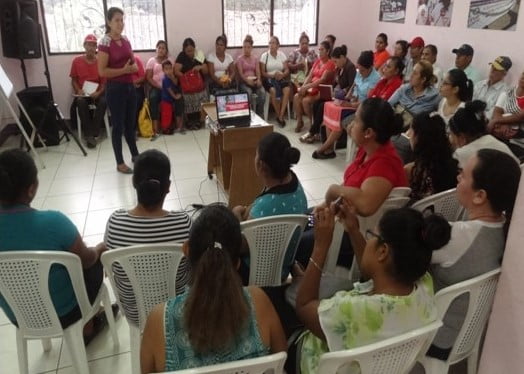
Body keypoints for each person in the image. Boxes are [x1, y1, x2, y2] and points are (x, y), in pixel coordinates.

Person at [296, 205, 448, 374]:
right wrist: (353, 231)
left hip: (316, 360)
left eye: (371, 236)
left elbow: (304, 305)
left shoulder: (351, 311)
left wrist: (320, 246)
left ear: (382, 251)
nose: (368, 241)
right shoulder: (425, 285)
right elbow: (377, 270)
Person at [140, 204, 287, 373]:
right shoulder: (259, 301)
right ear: (237, 263)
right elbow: (281, 360)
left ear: (186, 250)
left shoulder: (159, 322)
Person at [0, 149, 112, 344]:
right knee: (93, 261)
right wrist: (100, 248)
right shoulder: (54, 223)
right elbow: (87, 261)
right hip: (66, 313)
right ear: (31, 188)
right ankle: (88, 326)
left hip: (19, 316)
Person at [427, 149, 521, 361]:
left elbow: (402, 253)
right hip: (466, 333)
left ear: (480, 196)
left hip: (436, 334)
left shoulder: (456, 236)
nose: (458, 178)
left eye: (463, 174)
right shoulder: (505, 231)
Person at [104, 150, 192, 326]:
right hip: (175, 310)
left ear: (134, 183)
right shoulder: (184, 224)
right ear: (168, 186)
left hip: (136, 315)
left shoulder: (115, 223)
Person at [311, 50, 381, 159]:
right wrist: (347, 97)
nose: (360, 73)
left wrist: (351, 104)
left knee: (339, 119)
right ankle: (329, 148)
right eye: (359, 70)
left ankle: (325, 148)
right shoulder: (358, 73)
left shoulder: (375, 78)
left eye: (362, 71)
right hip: (352, 102)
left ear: (370, 68)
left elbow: (368, 101)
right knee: (329, 108)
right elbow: (354, 86)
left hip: (363, 109)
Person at [98, 7, 140, 174]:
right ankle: (119, 162)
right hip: (115, 89)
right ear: (109, 22)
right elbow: (102, 72)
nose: (121, 23)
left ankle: (135, 155)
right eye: (117, 20)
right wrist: (124, 71)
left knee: (131, 124)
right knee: (118, 126)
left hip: (130, 87)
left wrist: (133, 67)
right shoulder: (104, 42)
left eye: (122, 20)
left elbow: (133, 62)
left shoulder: (126, 39)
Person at [300, 45, 356, 144]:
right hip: (337, 95)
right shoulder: (340, 67)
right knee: (317, 103)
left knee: (322, 105)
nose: (335, 64)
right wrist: (333, 90)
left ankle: (312, 132)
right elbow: (337, 82)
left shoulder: (350, 67)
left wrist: (342, 91)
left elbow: (352, 86)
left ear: (342, 57)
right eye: (333, 61)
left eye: (336, 61)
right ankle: (316, 132)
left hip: (345, 98)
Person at [388, 61, 441, 163]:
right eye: (412, 72)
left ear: (423, 79)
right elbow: (389, 104)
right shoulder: (404, 89)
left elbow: (434, 120)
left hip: (412, 131)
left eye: (415, 73)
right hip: (394, 123)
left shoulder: (434, 97)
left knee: (397, 143)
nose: (411, 75)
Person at [404, 113, 458, 202]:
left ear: (418, 137)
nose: (408, 133)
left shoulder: (411, 171)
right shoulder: (454, 167)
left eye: (411, 129)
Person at [450, 100, 518, 168]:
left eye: (451, 134)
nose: (450, 138)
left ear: (462, 137)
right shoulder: (492, 140)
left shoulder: (461, 155)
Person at [70, 34, 107, 149]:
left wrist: (99, 92)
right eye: (88, 45)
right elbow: (74, 80)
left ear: (96, 48)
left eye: (93, 45)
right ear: (84, 46)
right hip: (83, 94)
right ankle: (88, 134)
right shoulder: (76, 61)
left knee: (104, 101)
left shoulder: (100, 61)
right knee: (80, 102)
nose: (91, 48)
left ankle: (93, 132)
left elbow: (104, 83)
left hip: (97, 93)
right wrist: (78, 90)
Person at [293, 40, 336, 133]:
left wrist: (306, 87)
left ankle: (313, 123)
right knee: (297, 96)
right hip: (311, 88)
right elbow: (310, 75)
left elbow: (322, 80)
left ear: (328, 51)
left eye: (322, 50)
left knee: (305, 101)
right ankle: (300, 121)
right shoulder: (317, 61)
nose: (319, 52)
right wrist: (303, 87)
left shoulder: (330, 64)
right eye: (319, 49)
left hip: (322, 91)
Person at [487, 70, 524, 157]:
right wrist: (498, 122)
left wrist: (494, 121)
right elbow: (496, 112)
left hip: (519, 142)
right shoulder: (508, 92)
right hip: (500, 135)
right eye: (523, 74)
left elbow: (520, 117)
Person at [174, 37, 209, 130]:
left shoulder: (199, 53)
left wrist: (200, 67)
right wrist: (187, 78)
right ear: (184, 50)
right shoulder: (182, 56)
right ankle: (190, 120)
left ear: (194, 48)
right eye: (188, 51)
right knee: (188, 96)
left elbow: (206, 71)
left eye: (191, 50)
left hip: (199, 84)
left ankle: (198, 120)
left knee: (201, 95)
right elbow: (176, 71)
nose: (190, 53)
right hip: (187, 84)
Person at [260, 36, 291, 126]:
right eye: (270, 43)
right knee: (273, 90)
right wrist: (272, 75)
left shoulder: (281, 55)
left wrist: (282, 75)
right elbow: (263, 73)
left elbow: (287, 70)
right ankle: (279, 115)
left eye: (273, 43)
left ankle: (280, 115)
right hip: (269, 78)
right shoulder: (264, 56)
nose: (271, 45)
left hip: (280, 78)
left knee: (287, 89)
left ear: (278, 45)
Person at [236, 34, 265, 117]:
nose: (246, 49)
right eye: (244, 47)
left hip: (254, 81)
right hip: (244, 82)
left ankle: (260, 115)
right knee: (248, 92)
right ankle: (249, 115)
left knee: (262, 92)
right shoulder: (239, 59)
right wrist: (247, 81)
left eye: (248, 47)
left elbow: (258, 71)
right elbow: (241, 74)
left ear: (251, 48)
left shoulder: (255, 58)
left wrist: (259, 80)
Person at [145, 40, 170, 137]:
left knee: (174, 98)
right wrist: (159, 87)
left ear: (166, 51)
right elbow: (148, 78)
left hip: (168, 87)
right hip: (156, 87)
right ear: (156, 49)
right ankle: (155, 127)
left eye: (163, 48)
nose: (161, 50)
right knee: (153, 98)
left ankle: (169, 125)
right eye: (159, 47)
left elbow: (173, 74)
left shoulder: (169, 60)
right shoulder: (152, 61)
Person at [160, 61, 184, 134]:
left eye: (170, 68)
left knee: (170, 114)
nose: (169, 70)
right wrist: (175, 97)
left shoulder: (171, 77)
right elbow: (169, 90)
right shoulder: (165, 79)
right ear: (163, 70)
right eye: (166, 69)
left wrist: (172, 77)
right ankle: (165, 128)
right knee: (166, 114)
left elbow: (175, 84)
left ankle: (174, 126)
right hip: (166, 100)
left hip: (170, 100)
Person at [131, 55, 146, 133]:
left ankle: (133, 129)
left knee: (136, 100)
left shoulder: (136, 59)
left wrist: (133, 83)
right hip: (122, 88)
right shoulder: (115, 62)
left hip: (136, 87)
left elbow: (143, 77)